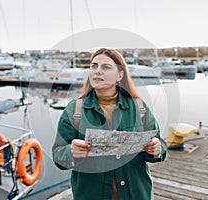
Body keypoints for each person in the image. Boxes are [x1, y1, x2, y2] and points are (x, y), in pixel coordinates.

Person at [52, 48, 166, 200]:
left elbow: (161, 147)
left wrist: (156, 148)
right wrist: (71, 152)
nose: (97, 71)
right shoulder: (74, 110)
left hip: (136, 195)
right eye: (94, 66)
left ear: (120, 75)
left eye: (105, 67)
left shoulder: (140, 108)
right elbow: (58, 155)